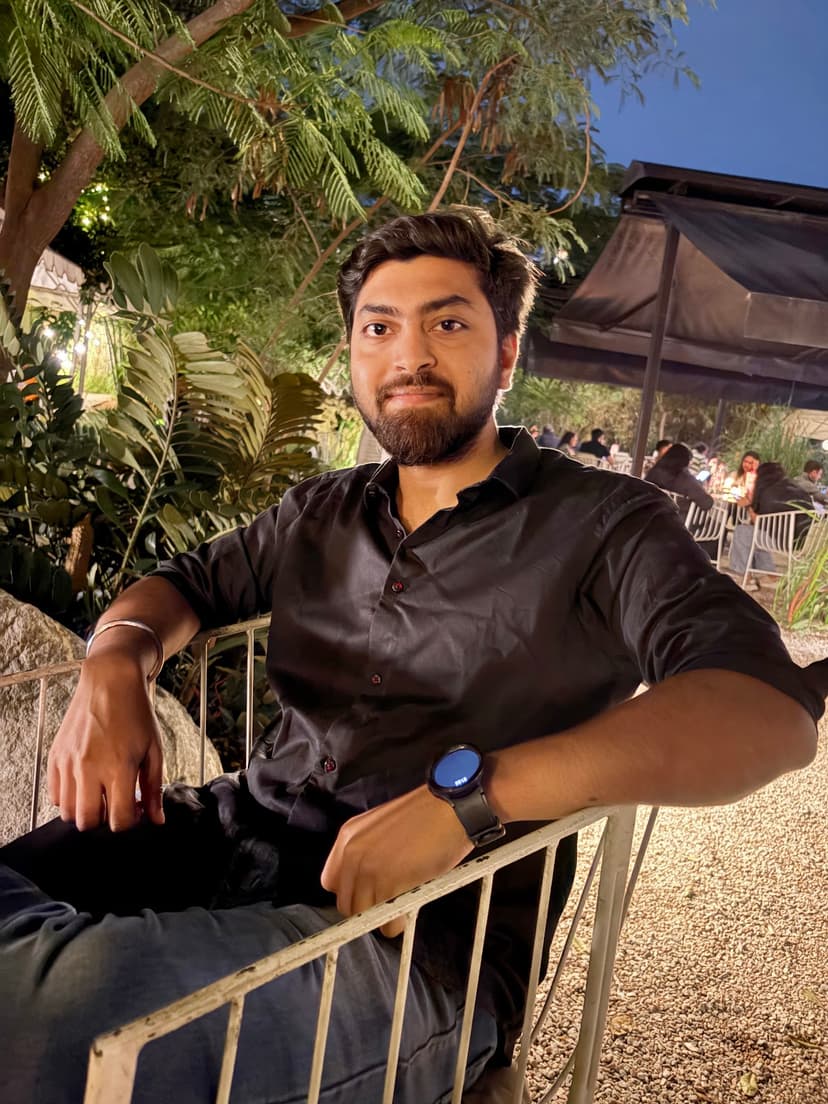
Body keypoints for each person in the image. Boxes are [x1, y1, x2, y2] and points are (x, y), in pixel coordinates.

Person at [0, 209, 823, 1104]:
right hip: (231, 837)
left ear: (506, 354)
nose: (409, 356)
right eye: (379, 328)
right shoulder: (321, 511)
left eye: (449, 323)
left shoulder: (603, 524)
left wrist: (469, 800)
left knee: (51, 1015)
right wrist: (114, 663)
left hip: (422, 944)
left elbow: (765, 710)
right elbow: (184, 586)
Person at [728, 462, 813, 583]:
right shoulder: (799, 490)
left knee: (742, 531)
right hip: (803, 541)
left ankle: (743, 575)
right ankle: (770, 572)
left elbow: (760, 522)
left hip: (780, 541)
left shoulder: (767, 491)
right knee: (758, 534)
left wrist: (748, 506)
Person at [645, 443, 714, 514]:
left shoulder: (654, 472)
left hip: (646, 513)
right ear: (686, 460)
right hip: (671, 518)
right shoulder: (686, 479)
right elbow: (706, 503)